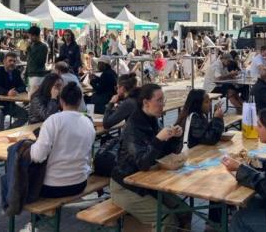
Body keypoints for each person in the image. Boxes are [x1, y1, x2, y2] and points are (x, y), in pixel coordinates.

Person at [110, 84, 185, 230]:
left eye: (164, 99)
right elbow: (143, 163)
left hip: (148, 183)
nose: (163, 104)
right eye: (159, 100)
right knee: (166, 219)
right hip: (126, 186)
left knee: (184, 213)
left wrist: (175, 137)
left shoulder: (152, 120)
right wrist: (158, 139)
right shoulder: (133, 127)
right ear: (146, 102)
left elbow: (166, 155)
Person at [30, 82, 95, 198]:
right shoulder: (88, 122)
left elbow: (37, 156)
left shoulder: (53, 121)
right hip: (80, 183)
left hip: (52, 186)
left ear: (61, 101)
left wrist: (31, 146)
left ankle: (38, 215)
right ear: (80, 101)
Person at [0, 51, 28, 130]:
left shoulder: (16, 72)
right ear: (4, 61)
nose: (12, 63)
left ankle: (7, 131)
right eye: (10, 61)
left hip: (9, 103)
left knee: (25, 115)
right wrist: (7, 92)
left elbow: (23, 86)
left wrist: (16, 91)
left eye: (14, 61)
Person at [25, 26, 49, 96]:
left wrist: (29, 50)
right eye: (29, 36)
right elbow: (29, 61)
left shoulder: (43, 46)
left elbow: (40, 61)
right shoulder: (32, 45)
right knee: (30, 96)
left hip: (38, 75)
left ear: (36, 35)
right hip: (30, 75)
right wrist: (26, 73)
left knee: (34, 97)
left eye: (31, 36)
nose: (30, 38)